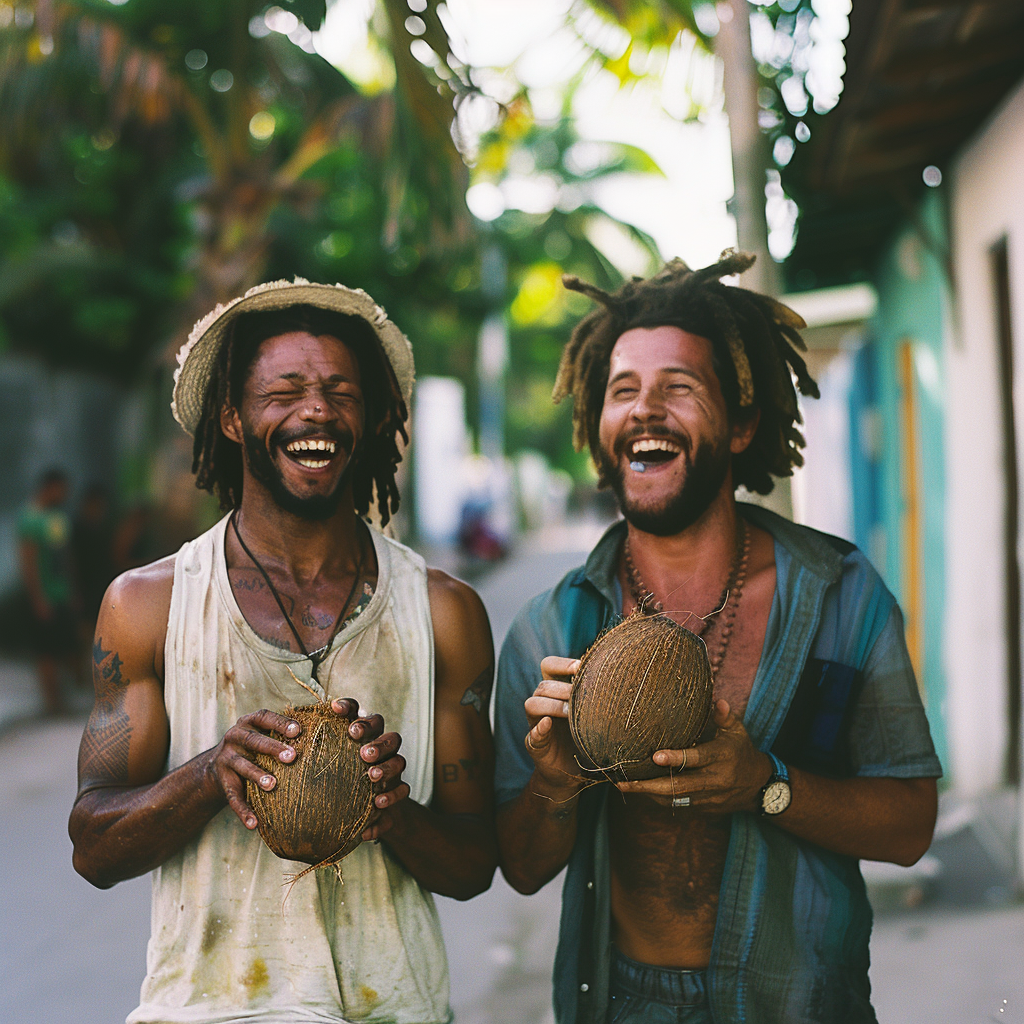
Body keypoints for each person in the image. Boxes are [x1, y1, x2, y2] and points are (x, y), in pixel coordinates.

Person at [493, 252, 941, 1024]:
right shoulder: (549, 628)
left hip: (800, 1003)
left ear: (741, 424)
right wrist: (557, 784)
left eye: (679, 388)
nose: (644, 409)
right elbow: (523, 868)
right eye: (622, 390)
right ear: (598, 428)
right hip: (623, 1003)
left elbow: (910, 825)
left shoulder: (843, 595)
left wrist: (765, 784)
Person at [69, 280, 497, 1024]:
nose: (318, 411)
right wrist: (213, 772)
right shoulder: (147, 605)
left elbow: (472, 867)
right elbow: (95, 848)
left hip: (394, 1008)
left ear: (369, 417)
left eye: (341, 391)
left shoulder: (443, 611)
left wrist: (391, 809)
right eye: (286, 390)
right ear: (232, 418)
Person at [18, 467, 78, 713]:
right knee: (46, 651)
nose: (64, 494)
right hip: (43, 596)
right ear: (49, 487)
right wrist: (38, 599)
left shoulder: (56, 518)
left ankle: (62, 699)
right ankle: (51, 702)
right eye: (61, 489)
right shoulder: (30, 517)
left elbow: (64, 556)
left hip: (61, 593)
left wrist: (73, 591)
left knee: (65, 646)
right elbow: (29, 562)